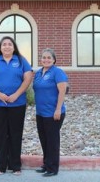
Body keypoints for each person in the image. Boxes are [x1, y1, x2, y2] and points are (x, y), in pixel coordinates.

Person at [0, 36, 33, 175]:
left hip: (17, 104)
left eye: (9, 44)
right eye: (4, 44)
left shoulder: (21, 61)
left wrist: (16, 95)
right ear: (0, 47)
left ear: (14, 47)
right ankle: (0, 166)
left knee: (15, 134)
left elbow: (28, 78)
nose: (6, 46)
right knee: (0, 134)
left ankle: (15, 165)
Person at [32, 48, 68, 177]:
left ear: (54, 60)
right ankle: (46, 164)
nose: (46, 60)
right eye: (44, 57)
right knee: (44, 140)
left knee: (52, 141)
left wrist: (58, 109)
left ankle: (53, 168)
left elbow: (62, 91)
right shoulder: (38, 73)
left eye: (49, 57)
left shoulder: (57, 72)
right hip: (41, 113)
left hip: (53, 113)